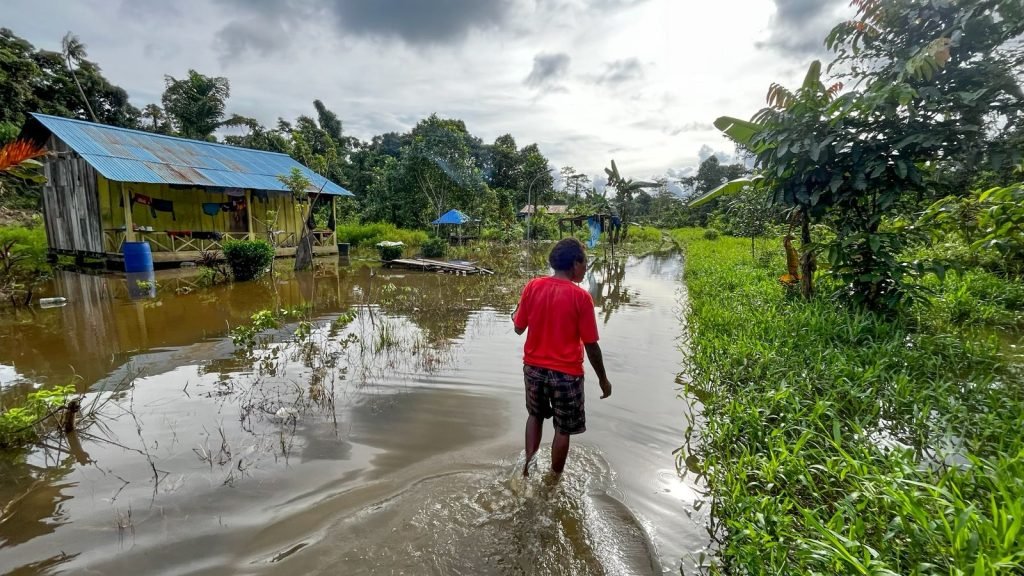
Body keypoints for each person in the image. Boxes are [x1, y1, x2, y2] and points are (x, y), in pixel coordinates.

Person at [512, 238, 612, 480]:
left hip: (534, 369)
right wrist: (603, 380)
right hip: (566, 375)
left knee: (534, 416)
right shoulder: (581, 298)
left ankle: (528, 469)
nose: (586, 267)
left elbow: (518, 328)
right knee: (563, 429)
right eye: (585, 262)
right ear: (574, 263)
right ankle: (554, 480)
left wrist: (516, 311)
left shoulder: (533, 286)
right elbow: (591, 345)